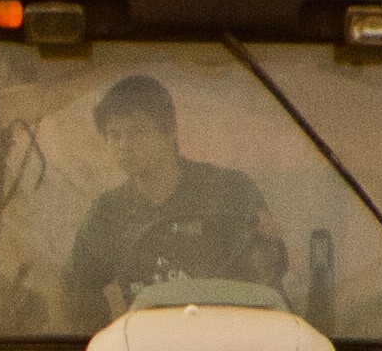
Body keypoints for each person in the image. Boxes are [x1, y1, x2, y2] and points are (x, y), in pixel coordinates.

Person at [61, 71, 275, 313]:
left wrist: (268, 253)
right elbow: (77, 288)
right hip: (147, 346)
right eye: (114, 134)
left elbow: (268, 270)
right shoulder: (107, 213)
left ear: (171, 131)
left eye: (137, 131)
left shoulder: (231, 190)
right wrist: (102, 340)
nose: (123, 146)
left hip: (227, 338)